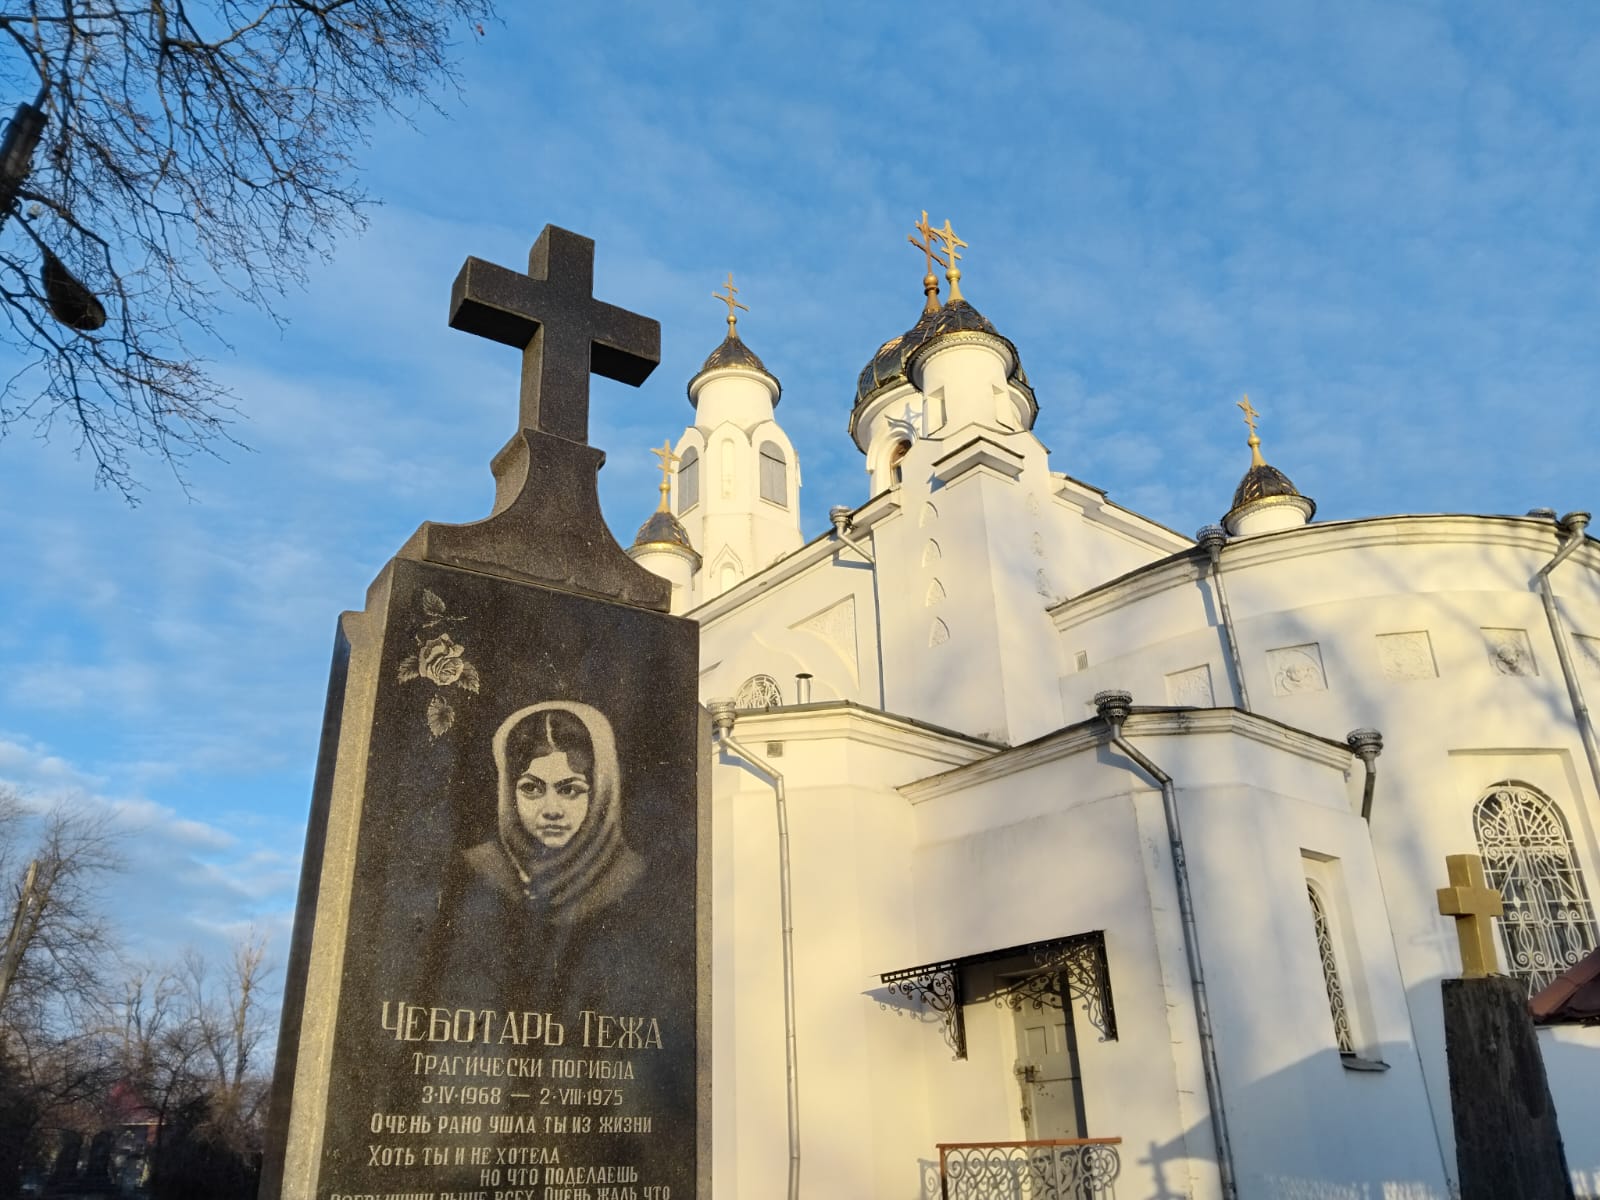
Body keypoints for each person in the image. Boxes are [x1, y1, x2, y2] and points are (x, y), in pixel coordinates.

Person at [459, 701, 649, 1010]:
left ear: (600, 791)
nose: (551, 810)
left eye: (570, 790)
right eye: (531, 789)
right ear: (509, 791)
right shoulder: (479, 869)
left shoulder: (628, 876)